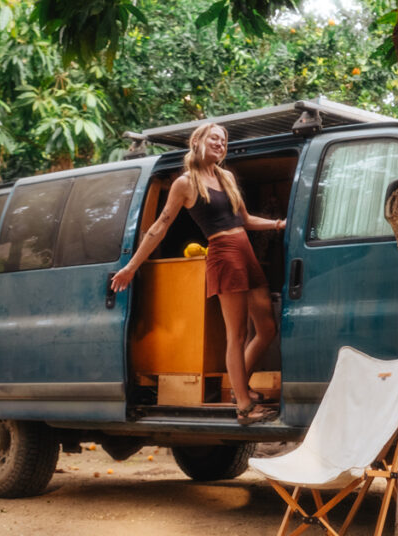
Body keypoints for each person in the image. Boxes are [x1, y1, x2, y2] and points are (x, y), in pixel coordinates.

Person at [111, 122, 285, 425]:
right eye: (214, 138)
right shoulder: (185, 183)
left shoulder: (227, 177)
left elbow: (244, 219)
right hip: (224, 255)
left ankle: (238, 389)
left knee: (267, 328)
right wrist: (130, 266)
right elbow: (159, 227)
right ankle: (244, 407)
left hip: (246, 254)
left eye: (224, 139)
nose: (220, 143)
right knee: (238, 334)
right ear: (197, 142)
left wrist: (277, 224)